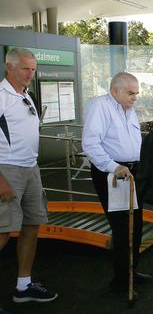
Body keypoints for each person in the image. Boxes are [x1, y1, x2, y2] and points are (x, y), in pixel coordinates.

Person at [82, 72, 151, 295]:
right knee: (123, 227)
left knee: (136, 224)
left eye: (136, 93)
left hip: (132, 171)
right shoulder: (99, 107)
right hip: (113, 172)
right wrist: (114, 167)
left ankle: (131, 271)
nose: (135, 98)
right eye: (131, 93)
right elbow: (91, 144)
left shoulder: (129, 110)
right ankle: (122, 281)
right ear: (115, 91)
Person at [0, 48, 58, 306]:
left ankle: (23, 286)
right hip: (7, 170)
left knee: (32, 225)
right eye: (25, 68)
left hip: (30, 169)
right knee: (1, 232)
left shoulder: (27, 96)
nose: (30, 74)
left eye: (33, 69)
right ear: (8, 67)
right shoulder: (1, 96)